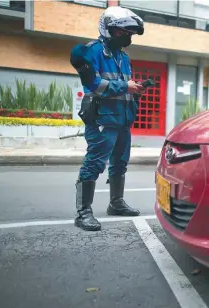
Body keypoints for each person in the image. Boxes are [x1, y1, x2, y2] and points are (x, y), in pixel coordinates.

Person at [72, 6, 145, 231]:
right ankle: (83, 212)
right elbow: (93, 84)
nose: (127, 37)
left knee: (120, 163)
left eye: (130, 34)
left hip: (123, 119)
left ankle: (116, 203)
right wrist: (125, 86)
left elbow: (123, 86)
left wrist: (135, 89)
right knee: (95, 162)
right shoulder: (90, 51)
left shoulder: (123, 56)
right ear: (108, 29)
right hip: (103, 119)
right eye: (123, 32)